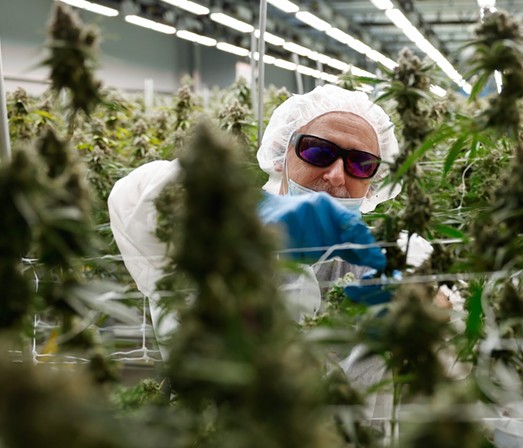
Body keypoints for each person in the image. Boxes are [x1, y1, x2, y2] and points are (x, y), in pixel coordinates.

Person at [108, 84, 433, 428]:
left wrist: (424, 300)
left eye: (361, 163)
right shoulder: (214, 239)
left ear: (375, 181)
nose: (337, 174)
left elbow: (456, 357)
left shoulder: (387, 255)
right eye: (318, 151)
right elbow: (135, 199)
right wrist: (253, 215)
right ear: (282, 155)